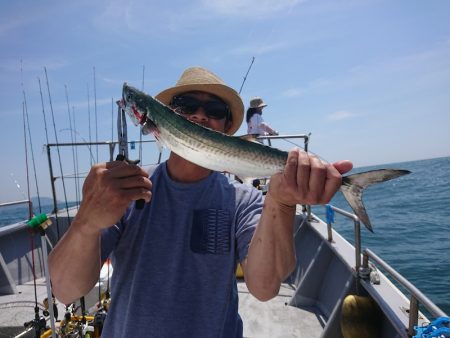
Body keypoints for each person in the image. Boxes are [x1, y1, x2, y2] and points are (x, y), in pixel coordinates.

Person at [48, 66, 353, 337]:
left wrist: (283, 202)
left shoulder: (242, 200)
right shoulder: (128, 190)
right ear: (166, 116)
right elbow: (65, 290)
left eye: (215, 110)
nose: (199, 115)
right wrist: (86, 222)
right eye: (186, 106)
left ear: (227, 125)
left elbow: (263, 289)